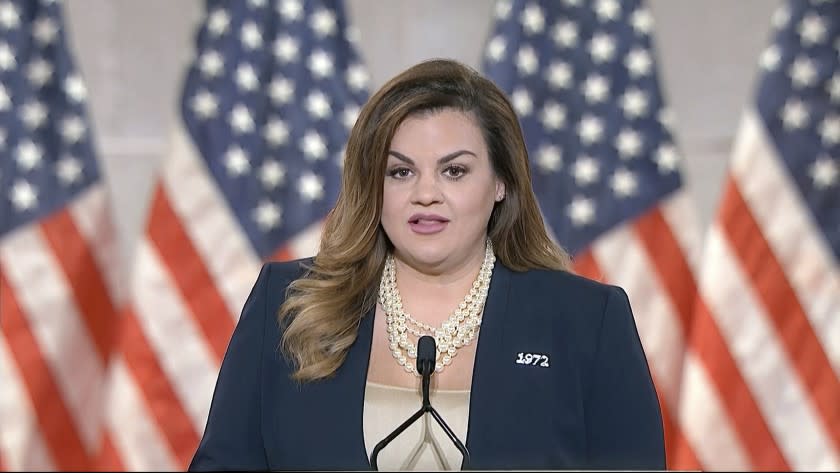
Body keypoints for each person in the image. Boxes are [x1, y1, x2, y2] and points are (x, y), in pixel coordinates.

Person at [188, 58, 666, 471]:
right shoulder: (289, 301)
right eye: (401, 171)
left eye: (454, 170)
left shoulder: (586, 321)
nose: (425, 194)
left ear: (500, 182)